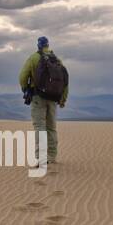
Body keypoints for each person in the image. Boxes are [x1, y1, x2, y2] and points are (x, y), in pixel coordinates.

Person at [19, 35, 68, 166]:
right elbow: (65, 80)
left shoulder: (33, 58)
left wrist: (25, 89)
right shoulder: (57, 60)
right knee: (51, 127)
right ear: (48, 45)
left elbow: (22, 76)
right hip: (53, 99)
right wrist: (63, 98)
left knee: (39, 126)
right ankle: (52, 157)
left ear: (38, 45)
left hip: (38, 97)